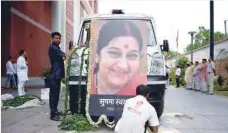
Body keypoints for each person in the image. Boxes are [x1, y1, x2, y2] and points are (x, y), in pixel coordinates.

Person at [91, 20, 146, 95]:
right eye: (114, 53)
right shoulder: (82, 84)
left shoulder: (143, 87)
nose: (123, 65)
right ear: (97, 55)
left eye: (132, 55)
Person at [48, 32, 69, 121]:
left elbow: (63, 58)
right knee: (54, 95)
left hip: (57, 74)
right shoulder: (52, 47)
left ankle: (55, 111)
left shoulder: (56, 48)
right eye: (56, 38)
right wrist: (73, 50)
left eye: (59, 38)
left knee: (56, 95)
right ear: (52, 39)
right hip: (54, 75)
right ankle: (53, 115)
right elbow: (65, 55)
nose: (58, 40)